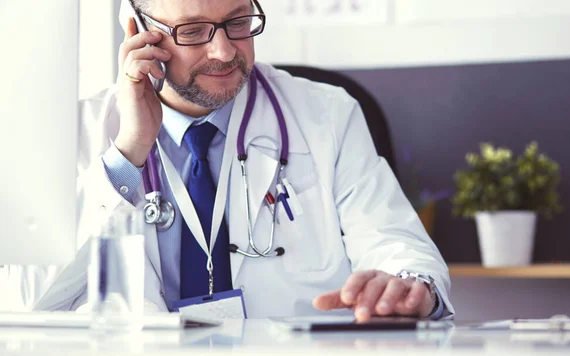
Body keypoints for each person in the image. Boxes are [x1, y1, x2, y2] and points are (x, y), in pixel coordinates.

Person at [10, 0, 454, 320]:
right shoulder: (74, 132)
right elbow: (33, 299)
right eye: (193, 31)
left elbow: (397, 243)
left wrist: (409, 286)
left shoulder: (328, 115)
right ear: (138, 31)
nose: (223, 52)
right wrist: (127, 153)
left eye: (237, 22)